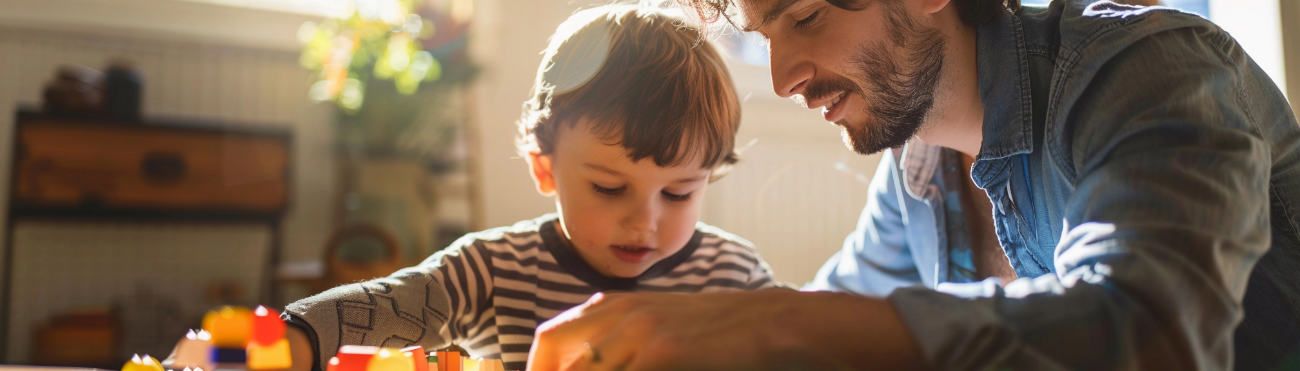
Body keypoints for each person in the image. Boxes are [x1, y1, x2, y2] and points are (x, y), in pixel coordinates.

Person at [526, 0, 1300, 370]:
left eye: (806, 17)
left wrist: (767, 324)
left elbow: (1151, 331)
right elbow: (843, 315)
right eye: (766, 37)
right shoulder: (917, 169)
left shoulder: (1154, 72)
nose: (788, 77)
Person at [167, 5, 780, 371]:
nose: (645, 222)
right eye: (610, 188)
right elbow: (383, 309)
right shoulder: (492, 270)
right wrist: (277, 342)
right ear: (545, 168)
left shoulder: (732, 277)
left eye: (678, 194)